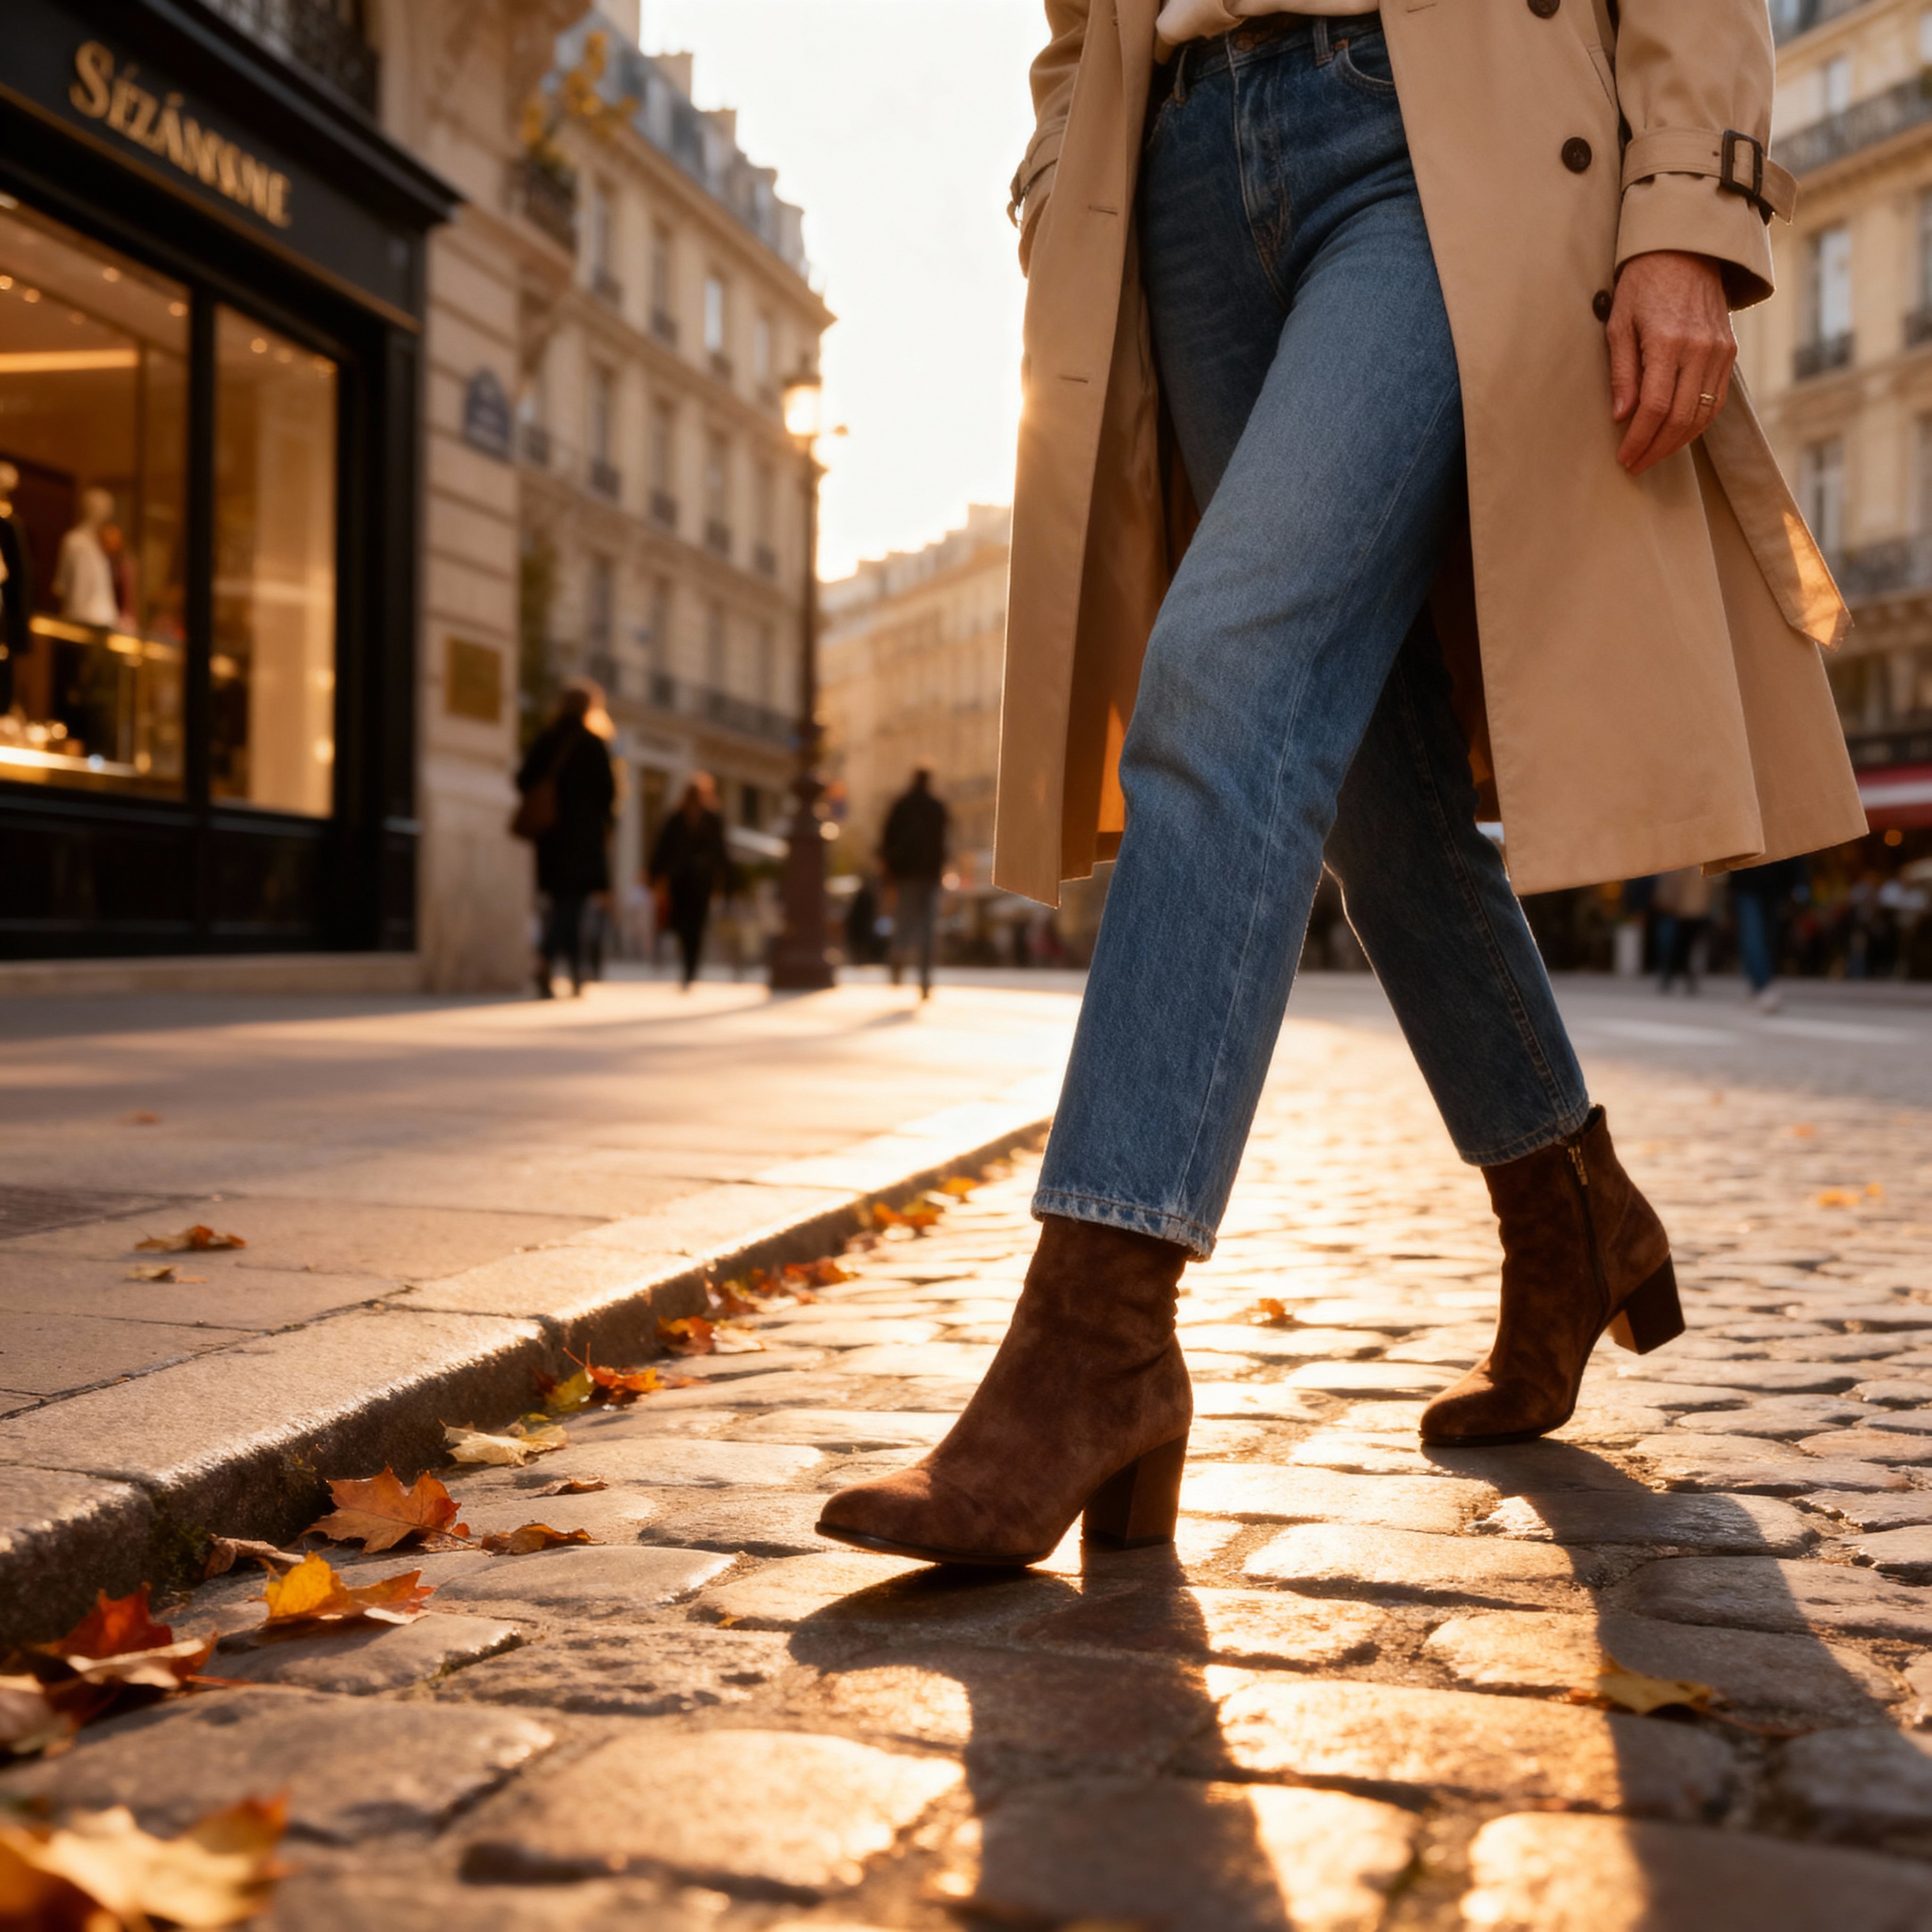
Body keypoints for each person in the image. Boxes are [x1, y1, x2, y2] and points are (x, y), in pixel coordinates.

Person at [817, 1, 1866, 1570]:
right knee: (1378, 783)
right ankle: (1571, 1215)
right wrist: (1062, 166)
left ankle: (1100, 1335)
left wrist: (1685, 215)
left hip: (1432, 128)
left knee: (1221, 677)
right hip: (1174, 163)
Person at [516, 680, 615, 999]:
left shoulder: (548, 739)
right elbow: (608, 795)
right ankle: (546, 960)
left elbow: (523, 779)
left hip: (551, 837)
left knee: (563, 905)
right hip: (582, 839)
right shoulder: (593, 744)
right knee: (572, 906)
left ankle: (574, 973)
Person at [649, 773, 733, 988]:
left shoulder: (713, 819)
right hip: (680, 882)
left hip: (701, 882)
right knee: (682, 925)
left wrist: (727, 883)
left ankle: (690, 970)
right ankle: (687, 966)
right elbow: (662, 849)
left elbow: (721, 852)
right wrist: (654, 877)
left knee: (696, 926)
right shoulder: (676, 819)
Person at [880, 768, 949, 998]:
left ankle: (898, 953)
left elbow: (887, 839)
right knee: (928, 926)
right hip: (930, 875)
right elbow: (944, 842)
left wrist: (889, 871)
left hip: (905, 875)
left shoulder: (901, 805)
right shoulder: (936, 806)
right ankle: (925, 979)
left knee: (905, 919)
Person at [1730, 856, 1803, 1012]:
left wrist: (1799, 880)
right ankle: (1763, 985)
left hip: (1774, 881)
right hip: (1749, 879)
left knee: (1767, 938)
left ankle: (1759, 985)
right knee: (1753, 934)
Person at [1654, 866, 1715, 995]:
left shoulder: (1686, 866)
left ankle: (1673, 974)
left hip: (1685, 910)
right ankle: (1681, 975)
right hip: (1694, 910)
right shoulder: (1701, 866)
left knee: (1681, 946)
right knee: (1686, 946)